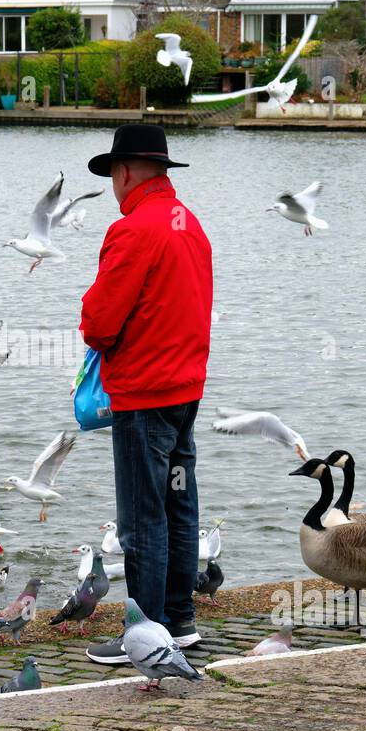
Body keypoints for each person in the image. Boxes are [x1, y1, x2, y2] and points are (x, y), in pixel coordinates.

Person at [78, 124, 213, 664]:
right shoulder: (190, 224)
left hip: (143, 395)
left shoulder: (133, 229)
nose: (114, 184)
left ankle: (147, 632)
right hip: (186, 389)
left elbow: (99, 322)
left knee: (141, 518)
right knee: (179, 507)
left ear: (125, 171)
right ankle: (180, 623)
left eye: (113, 173)